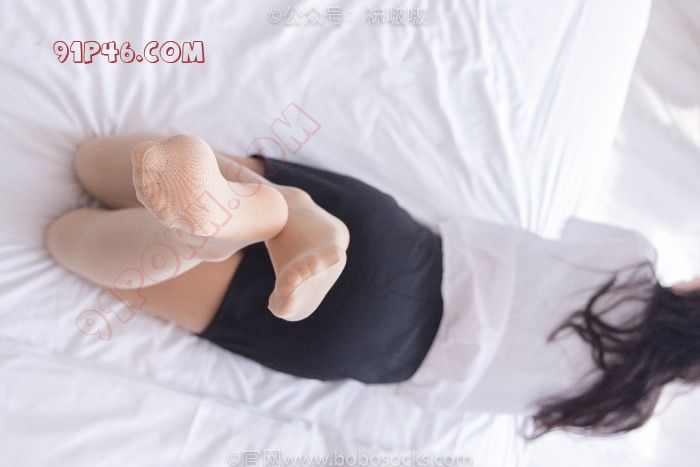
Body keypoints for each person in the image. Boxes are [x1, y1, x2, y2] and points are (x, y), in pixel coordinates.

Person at [45, 134, 700, 439]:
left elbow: (546, 241)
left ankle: (265, 212)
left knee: (97, 162)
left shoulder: (632, 259)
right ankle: (211, 237)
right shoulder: (614, 408)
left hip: (387, 243)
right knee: (69, 239)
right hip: (365, 341)